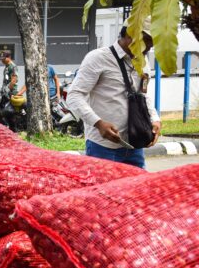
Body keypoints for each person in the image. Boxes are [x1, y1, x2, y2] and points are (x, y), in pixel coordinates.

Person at [68, 17, 160, 169]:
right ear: (130, 34)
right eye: (146, 41)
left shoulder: (143, 62)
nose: (149, 47)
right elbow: (74, 95)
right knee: (103, 191)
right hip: (102, 147)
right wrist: (98, 123)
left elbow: (143, 95)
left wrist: (155, 119)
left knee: (136, 192)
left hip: (134, 144)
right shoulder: (98, 58)